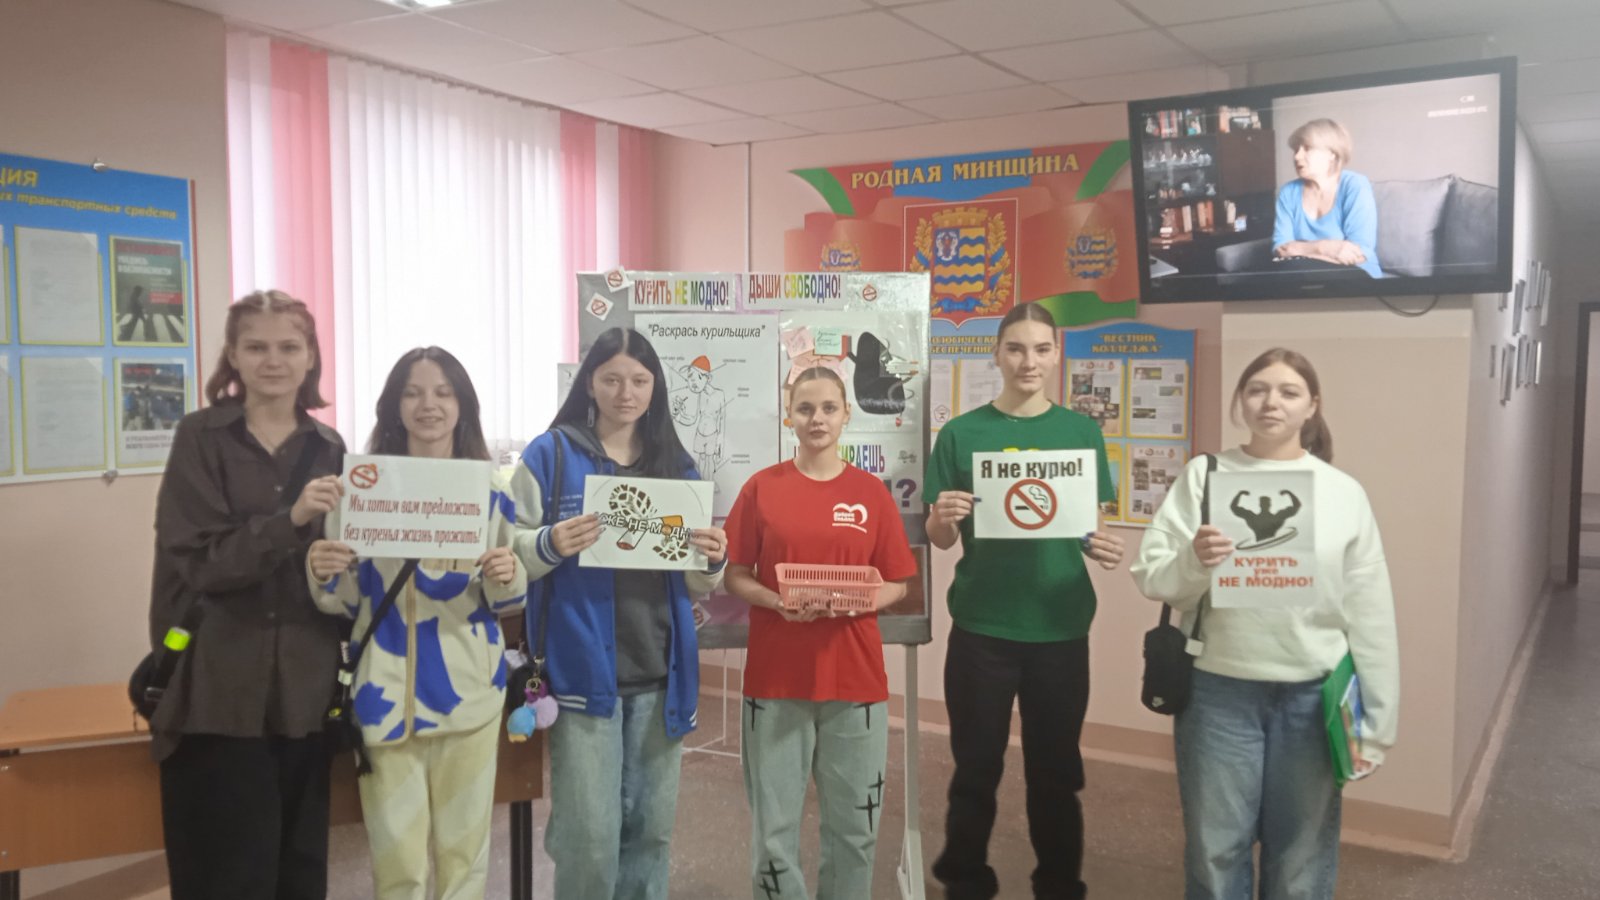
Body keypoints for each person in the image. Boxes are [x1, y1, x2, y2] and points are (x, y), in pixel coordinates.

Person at [1130, 348, 1399, 900]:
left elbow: (1370, 612)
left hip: (1313, 695)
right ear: (1241, 401)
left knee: (1302, 854)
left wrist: (1377, 723)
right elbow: (1153, 578)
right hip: (1218, 693)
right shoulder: (1204, 477)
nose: (1271, 402)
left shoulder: (1342, 492)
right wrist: (1196, 561)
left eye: (1288, 392)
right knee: (1215, 849)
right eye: (1257, 389)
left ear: (1312, 406)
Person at [510, 326, 728, 899]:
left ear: (655, 387)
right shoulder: (550, 455)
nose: (625, 393)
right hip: (582, 674)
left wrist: (712, 559)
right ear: (589, 383)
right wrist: (549, 543)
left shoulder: (676, 466)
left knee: (650, 832)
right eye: (611, 379)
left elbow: (697, 582)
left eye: (638, 380)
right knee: (589, 836)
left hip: (661, 671)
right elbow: (506, 550)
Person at [305, 346, 525, 900]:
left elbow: (506, 596)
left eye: (443, 393)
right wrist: (323, 571)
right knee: (397, 865)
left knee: (464, 861)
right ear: (394, 406)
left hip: (468, 693)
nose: (429, 405)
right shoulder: (359, 491)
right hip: (384, 696)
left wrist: (508, 574)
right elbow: (345, 602)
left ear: (463, 405)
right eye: (413, 393)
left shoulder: (492, 492)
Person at [147, 289, 345, 900]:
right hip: (217, 687)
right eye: (256, 347)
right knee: (228, 875)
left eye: (289, 347)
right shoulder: (200, 437)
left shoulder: (332, 448)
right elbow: (200, 563)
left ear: (310, 356)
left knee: (299, 871)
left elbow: (339, 574)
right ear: (232, 356)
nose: (273, 361)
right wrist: (291, 522)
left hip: (306, 688)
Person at [924, 302, 1125, 900]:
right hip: (983, 627)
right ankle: (965, 880)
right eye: (1015, 348)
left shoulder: (1080, 432)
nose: (1028, 361)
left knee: (1056, 772)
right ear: (997, 354)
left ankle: (1059, 884)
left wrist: (1103, 546)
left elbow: (1088, 524)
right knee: (975, 768)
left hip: (1059, 628)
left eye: (1040, 349)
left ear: (1056, 354)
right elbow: (940, 538)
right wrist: (941, 516)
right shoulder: (962, 433)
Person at [724, 366, 919, 900]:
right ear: (789, 416)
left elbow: (899, 582)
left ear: (846, 414)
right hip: (776, 681)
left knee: (856, 832)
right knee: (773, 833)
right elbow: (735, 575)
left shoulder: (870, 493)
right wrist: (776, 600)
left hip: (855, 681)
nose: (817, 419)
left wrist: (858, 599)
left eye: (829, 408)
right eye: (805, 408)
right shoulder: (762, 488)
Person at [1271, 118, 1382, 278]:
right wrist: (1325, 247)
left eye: (1307, 148)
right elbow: (1280, 249)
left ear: (1332, 153)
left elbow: (1359, 254)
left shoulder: (1355, 185)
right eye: (1296, 150)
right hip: (1300, 272)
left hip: (1357, 274)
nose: (1297, 156)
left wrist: (1300, 250)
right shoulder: (1288, 192)